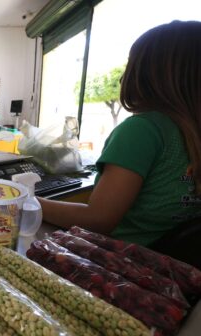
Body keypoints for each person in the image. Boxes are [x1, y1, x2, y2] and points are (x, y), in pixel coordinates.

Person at [38, 20, 201, 246]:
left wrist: (27, 201)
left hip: (120, 263)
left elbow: (97, 220)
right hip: (172, 268)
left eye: (130, 64)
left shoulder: (143, 129)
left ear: (146, 73)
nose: (122, 76)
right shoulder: (189, 132)